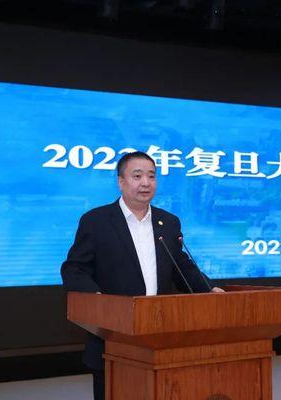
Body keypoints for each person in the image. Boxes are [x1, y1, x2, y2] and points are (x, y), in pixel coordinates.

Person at [61, 151, 222, 400]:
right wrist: (98, 301)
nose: (145, 183)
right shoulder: (96, 221)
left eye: (151, 176)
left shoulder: (168, 222)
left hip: (162, 335)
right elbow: (74, 269)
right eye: (137, 176)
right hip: (113, 339)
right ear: (121, 181)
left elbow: (181, 266)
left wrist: (209, 290)